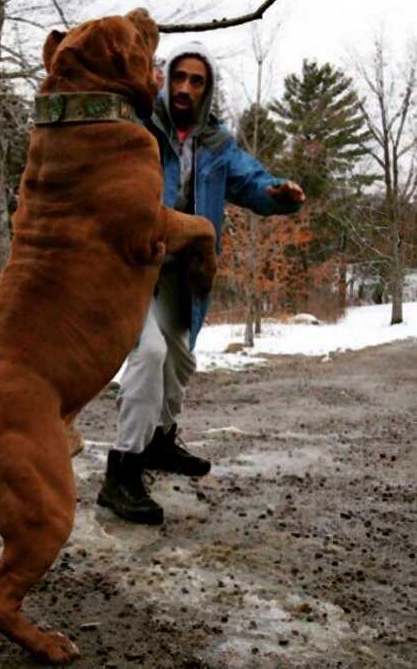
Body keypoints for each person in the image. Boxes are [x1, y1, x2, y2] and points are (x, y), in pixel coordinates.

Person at [97, 41, 305, 525]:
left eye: (197, 81)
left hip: (186, 273)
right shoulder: (139, 131)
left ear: (207, 89)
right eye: (179, 78)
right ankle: (121, 471)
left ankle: (160, 442)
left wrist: (280, 195)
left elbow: (253, 183)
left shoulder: (216, 144)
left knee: (180, 361)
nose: (186, 87)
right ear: (165, 81)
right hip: (135, 266)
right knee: (148, 354)